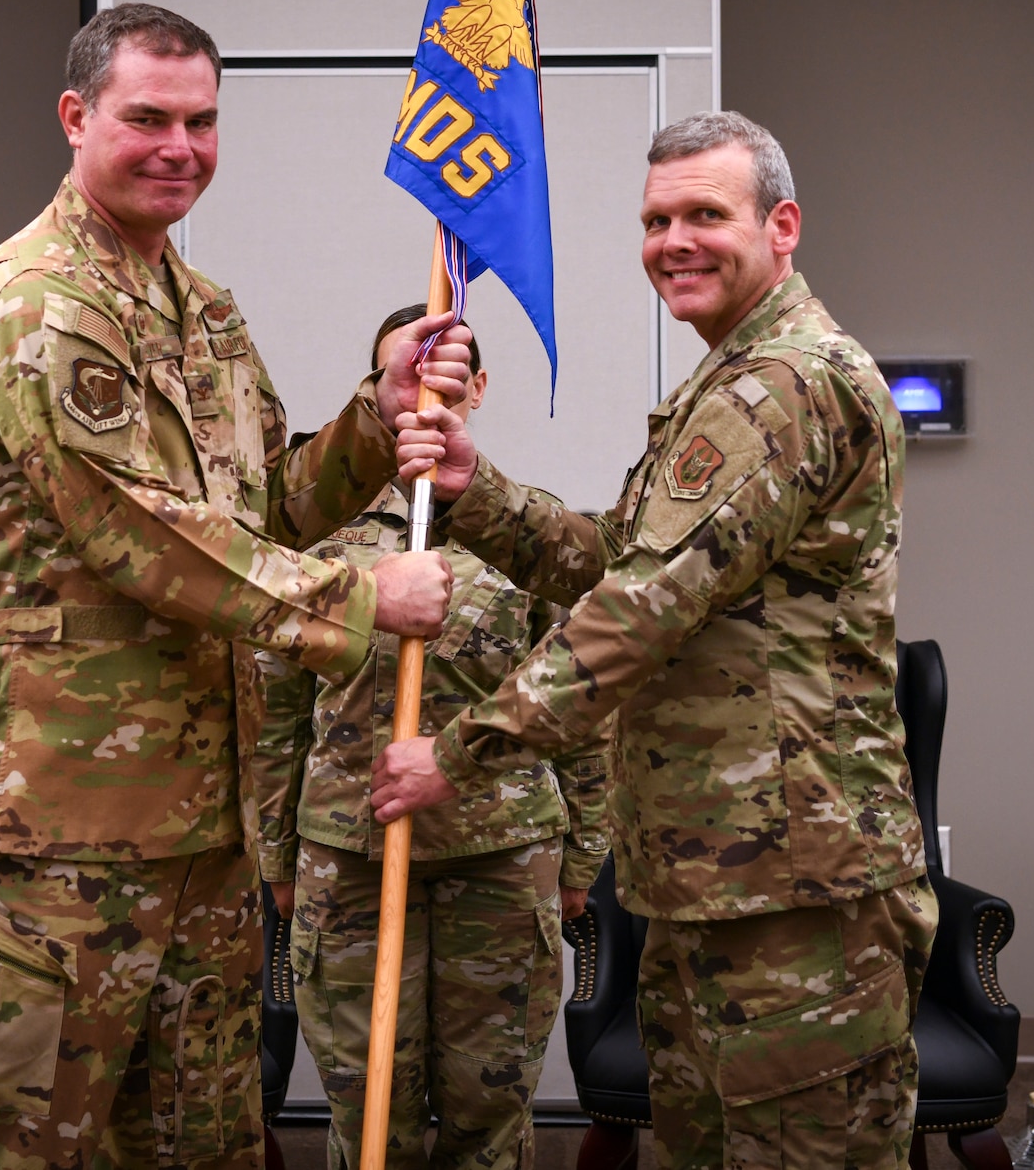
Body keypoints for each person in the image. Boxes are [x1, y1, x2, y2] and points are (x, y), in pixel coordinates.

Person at [0, 3, 473, 1170]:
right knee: (27, 1148)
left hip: (201, 821)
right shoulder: (36, 308)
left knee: (204, 1141)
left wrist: (377, 418)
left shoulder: (199, 305)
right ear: (76, 119)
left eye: (202, 121)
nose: (180, 146)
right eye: (147, 119)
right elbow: (143, 539)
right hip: (66, 830)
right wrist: (366, 603)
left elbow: (257, 508)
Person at [371, 111, 936, 1170]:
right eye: (654, 219)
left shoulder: (782, 386)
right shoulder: (726, 382)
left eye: (704, 215)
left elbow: (639, 610)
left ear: (781, 226)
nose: (672, 242)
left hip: (793, 895)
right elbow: (617, 566)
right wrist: (473, 494)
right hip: (714, 875)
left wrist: (455, 754)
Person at [251, 306, 611, 1170]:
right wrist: (275, 860)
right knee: (370, 1116)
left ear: (477, 389)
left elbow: (583, 706)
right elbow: (272, 714)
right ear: (376, 393)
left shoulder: (530, 540)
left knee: (490, 1116)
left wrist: (586, 858)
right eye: (400, 377)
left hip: (501, 858)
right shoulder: (321, 545)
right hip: (349, 858)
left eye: (443, 376)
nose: (422, 396)